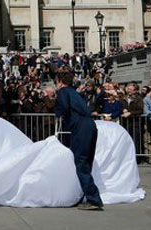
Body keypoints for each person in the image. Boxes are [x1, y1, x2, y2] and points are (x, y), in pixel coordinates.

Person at [54, 71, 103, 211]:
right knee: (87, 161)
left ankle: (93, 198)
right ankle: (86, 195)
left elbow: (62, 108)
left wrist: (56, 110)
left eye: (56, 82)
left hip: (80, 127)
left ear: (60, 82)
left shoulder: (63, 92)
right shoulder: (75, 93)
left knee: (81, 162)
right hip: (90, 125)